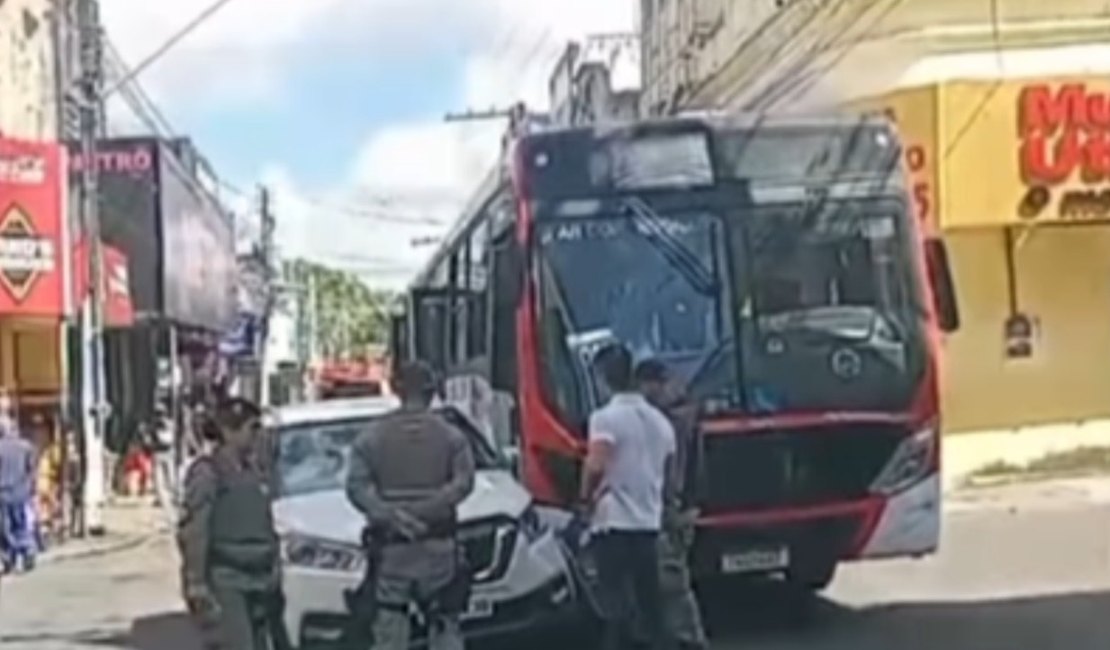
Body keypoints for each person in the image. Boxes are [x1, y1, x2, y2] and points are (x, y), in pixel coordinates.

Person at [345, 361, 476, 650]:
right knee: (445, 628)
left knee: (391, 628)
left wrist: (393, 515)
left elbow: (356, 488)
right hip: (439, 549)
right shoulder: (451, 436)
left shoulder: (371, 437)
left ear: (396, 389)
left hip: (393, 552)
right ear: (431, 391)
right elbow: (463, 483)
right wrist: (428, 508)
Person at [580, 344, 676, 650]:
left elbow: (596, 463)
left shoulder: (605, 418)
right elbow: (670, 475)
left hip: (613, 524)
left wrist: (585, 499)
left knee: (615, 608)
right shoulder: (661, 422)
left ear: (602, 378)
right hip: (648, 524)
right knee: (651, 607)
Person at [177, 397, 288, 650]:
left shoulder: (257, 469)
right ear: (229, 432)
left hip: (261, 576)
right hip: (228, 577)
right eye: (252, 428)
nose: (258, 435)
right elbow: (195, 528)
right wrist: (195, 581)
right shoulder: (208, 472)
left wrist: (274, 569)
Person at [635, 359, 707, 650]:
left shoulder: (664, 418)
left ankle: (689, 639)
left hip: (666, 505)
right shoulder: (688, 410)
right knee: (668, 577)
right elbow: (697, 464)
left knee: (671, 580)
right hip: (678, 504)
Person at [0, 394, 37, 573]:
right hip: (21, 492)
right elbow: (31, 469)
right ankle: (28, 550)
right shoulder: (26, 446)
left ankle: (9, 558)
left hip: (3, 493)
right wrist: (31, 488)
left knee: (4, 528)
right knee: (21, 524)